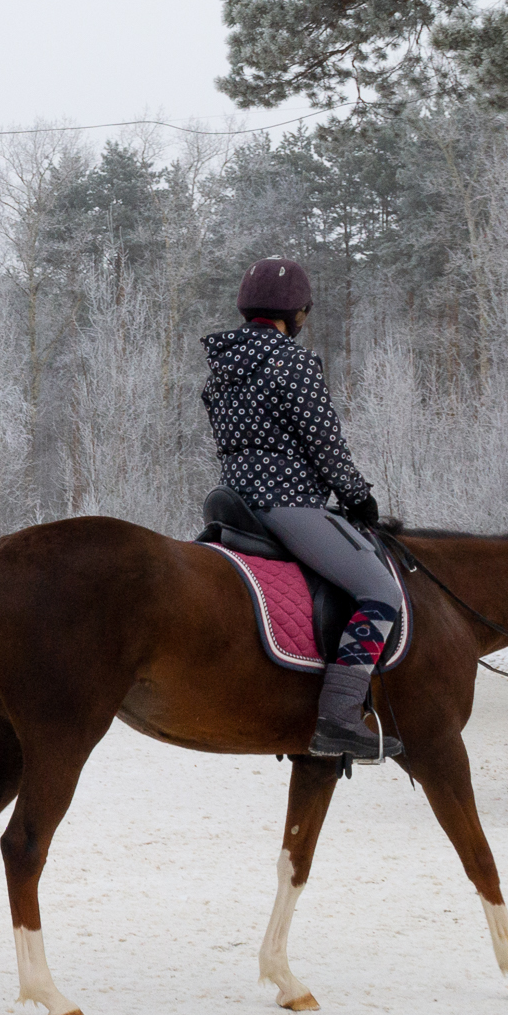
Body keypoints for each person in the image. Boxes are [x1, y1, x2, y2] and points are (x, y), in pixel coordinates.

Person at [202, 257, 403, 760]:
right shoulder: (293, 361)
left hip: (233, 502)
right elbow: (324, 442)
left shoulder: (222, 368)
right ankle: (338, 716)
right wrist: (357, 496)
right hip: (284, 502)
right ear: (296, 313)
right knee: (381, 592)